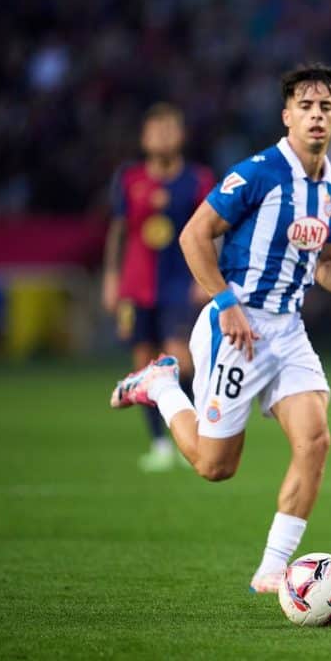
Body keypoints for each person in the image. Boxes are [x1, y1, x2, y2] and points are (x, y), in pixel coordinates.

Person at [109, 64, 331, 593]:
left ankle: (273, 568)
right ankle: (160, 386)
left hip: (288, 331)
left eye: (325, 108)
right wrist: (226, 302)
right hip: (238, 328)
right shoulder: (258, 172)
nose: (315, 115)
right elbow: (193, 236)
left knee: (315, 440)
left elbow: (326, 265)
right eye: (305, 106)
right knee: (213, 466)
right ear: (287, 115)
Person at [102, 103, 214, 472]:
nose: (163, 136)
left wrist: (207, 276)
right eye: (156, 130)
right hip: (137, 285)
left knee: (179, 359)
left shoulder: (198, 179)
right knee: (143, 363)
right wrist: (111, 278)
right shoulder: (130, 178)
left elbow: (212, 230)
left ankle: (194, 433)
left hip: (180, 283)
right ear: (144, 137)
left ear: (181, 136)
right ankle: (161, 444)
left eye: (169, 129)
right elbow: (119, 230)